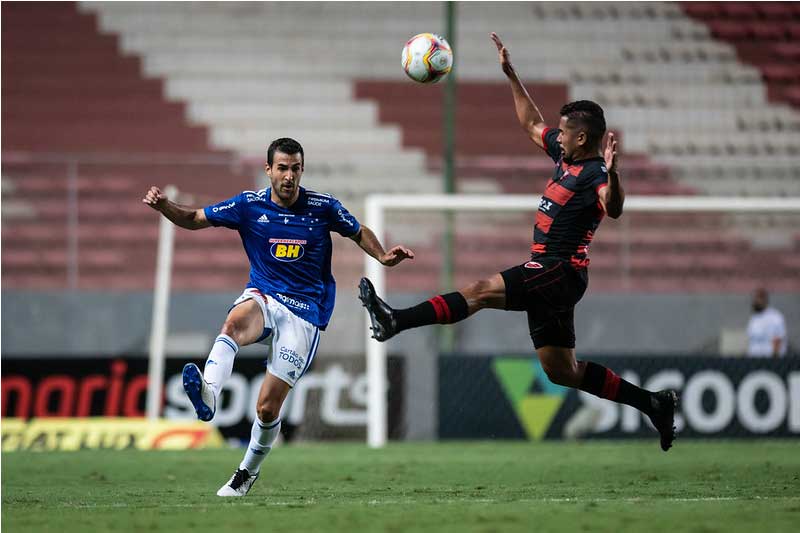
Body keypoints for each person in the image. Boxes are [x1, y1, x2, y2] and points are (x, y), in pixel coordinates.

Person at [358, 33, 678, 451]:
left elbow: (613, 208)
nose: (557, 136)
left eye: (564, 132)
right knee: (563, 372)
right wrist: (512, 75)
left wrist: (616, 175)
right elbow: (530, 122)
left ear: (583, 138)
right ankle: (654, 403)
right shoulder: (566, 157)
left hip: (559, 269)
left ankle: (396, 319)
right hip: (553, 275)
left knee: (479, 291)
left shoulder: (596, 174)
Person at [143, 137, 413, 496]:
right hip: (264, 296)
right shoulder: (248, 205)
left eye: (295, 169)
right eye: (282, 168)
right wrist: (165, 207)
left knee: (266, 409)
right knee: (233, 324)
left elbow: (358, 230)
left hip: (305, 312)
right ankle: (208, 394)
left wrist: (381, 257)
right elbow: (194, 218)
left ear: (302, 170)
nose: (289, 176)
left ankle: (245, 474)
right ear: (268, 169)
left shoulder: (323, 206)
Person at [747, 288, 788, 357]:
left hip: (768, 361)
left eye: (756, 299)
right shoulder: (754, 318)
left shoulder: (775, 317)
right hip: (754, 361)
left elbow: (777, 340)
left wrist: (774, 361)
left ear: (764, 299)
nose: (754, 302)